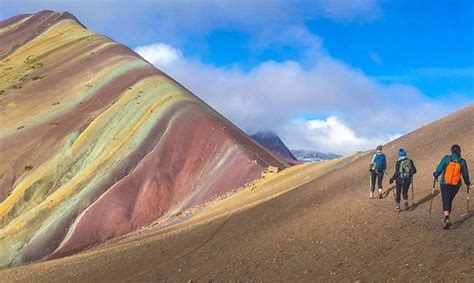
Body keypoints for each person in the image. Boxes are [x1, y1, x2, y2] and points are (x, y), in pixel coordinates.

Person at [433, 144, 471, 229]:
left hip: (445, 183)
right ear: (459, 151)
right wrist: (467, 183)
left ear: (452, 151)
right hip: (456, 185)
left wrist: (436, 175)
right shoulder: (462, 161)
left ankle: (446, 218)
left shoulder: (447, 158)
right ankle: (447, 217)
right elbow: (465, 174)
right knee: (449, 200)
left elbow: (439, 169)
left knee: (445, 199)